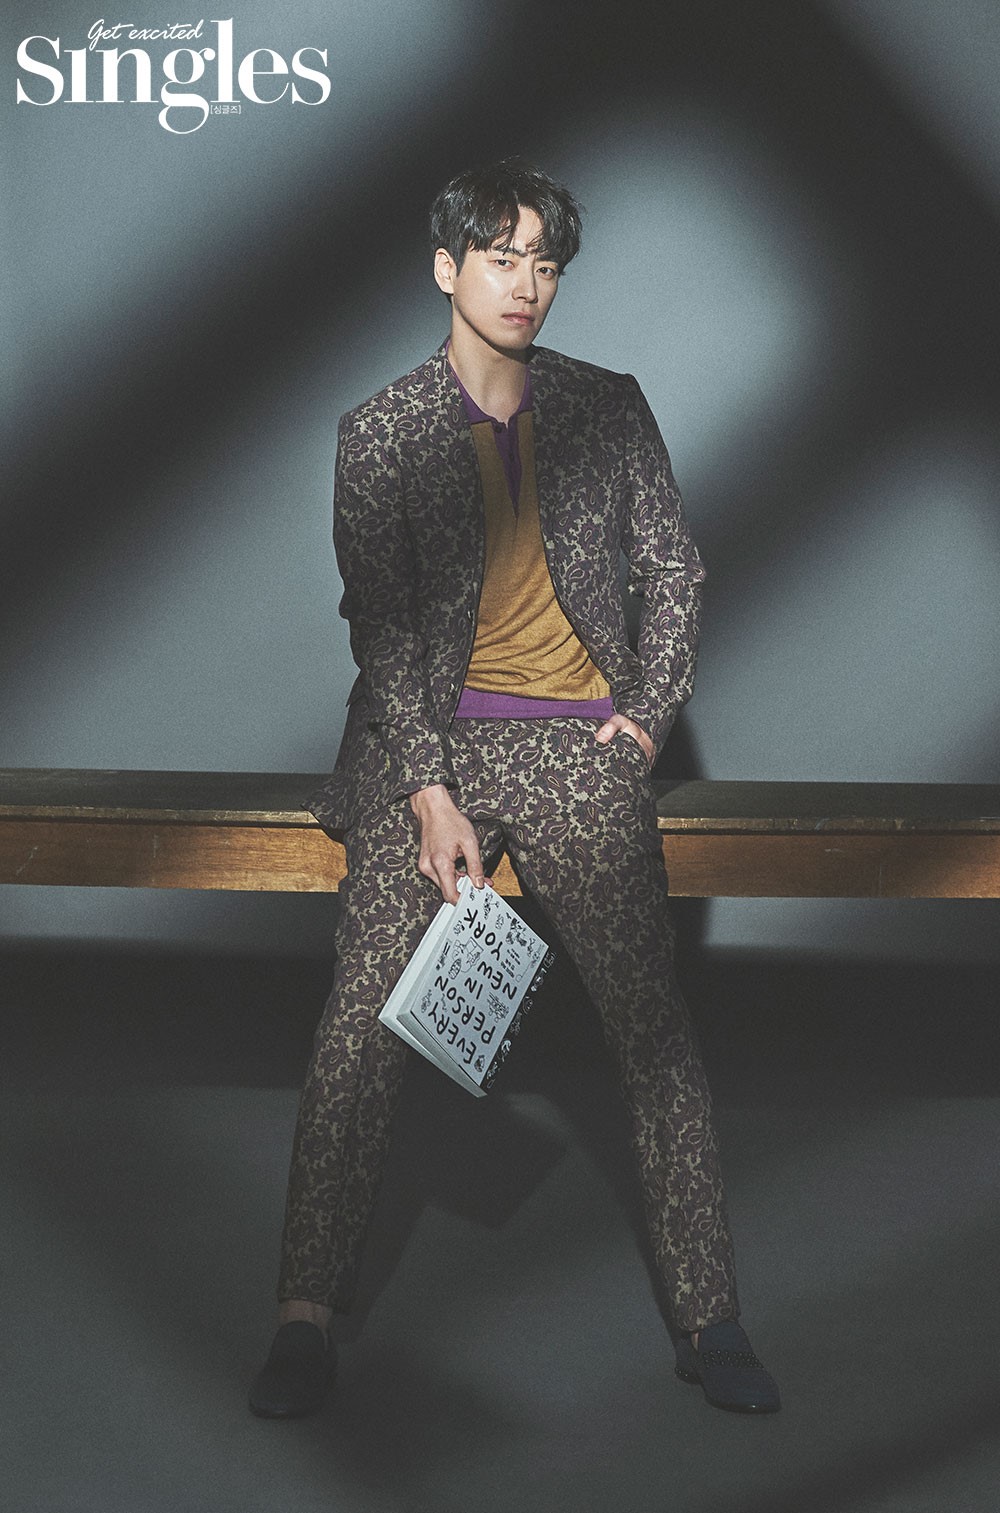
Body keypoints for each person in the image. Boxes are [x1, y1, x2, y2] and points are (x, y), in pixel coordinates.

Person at [249, 159, 779, 1418]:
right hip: (423, 747)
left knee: (650, 1027)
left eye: (545, 262)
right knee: (358, 1024)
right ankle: (303, 1317)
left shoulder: (608, 407)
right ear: (448, 268)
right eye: (502, 256)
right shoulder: (380, 433)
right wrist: (427, 790)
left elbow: (674, 569)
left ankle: (711, 1318)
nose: (526, 282)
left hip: (580, 746)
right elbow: (381, 628)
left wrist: (641, 725)